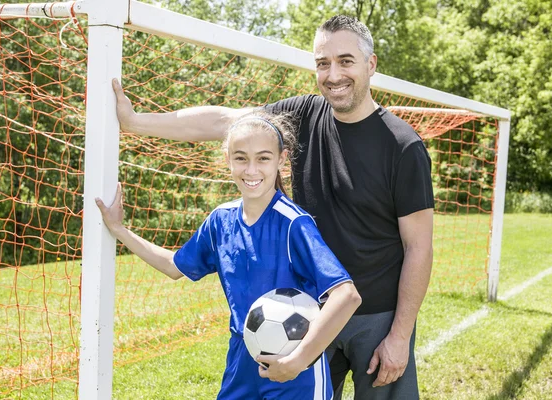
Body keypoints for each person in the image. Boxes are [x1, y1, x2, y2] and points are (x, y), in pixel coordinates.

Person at [112, 14, 434, 400]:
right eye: (322, 63)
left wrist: (399, 336)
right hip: (306, 315)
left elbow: (419, 248)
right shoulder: (303, 115)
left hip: (376, 318)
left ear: (371, 64)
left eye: (345, 61)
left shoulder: (403, 146)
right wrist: (134, 122)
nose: (333, 75)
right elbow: (224, 121)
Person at [95, 111, 362, 400]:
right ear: (227, 160)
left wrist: (298, 361)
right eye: (241, 158)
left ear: (281, 160)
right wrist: (119, 230)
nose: (251, 170)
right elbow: (175, 266)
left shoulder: (293, 224)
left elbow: (346, 296)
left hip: (295, 365)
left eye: (263, 158)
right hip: (241, 360)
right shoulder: (220, 221)